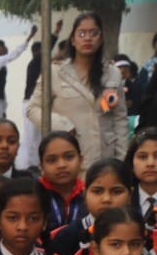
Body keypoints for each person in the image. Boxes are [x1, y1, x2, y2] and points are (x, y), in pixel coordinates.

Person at [27, 11, 127, 166]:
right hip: (69, 160)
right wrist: (63, 126)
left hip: (105, 160)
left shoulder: (113, 73)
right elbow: (33, 109)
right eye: (82, 33)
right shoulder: (55, 72)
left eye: (94, 33)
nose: (88, 38)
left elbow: (119, 119)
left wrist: (122, 161)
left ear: (101, 39)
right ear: (73, 40)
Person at [0, 27, 36, 124]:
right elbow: (13, 55)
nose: (5, 47)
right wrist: (29, 37)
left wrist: (3, 107)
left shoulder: (0, 64)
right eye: (2, 46)